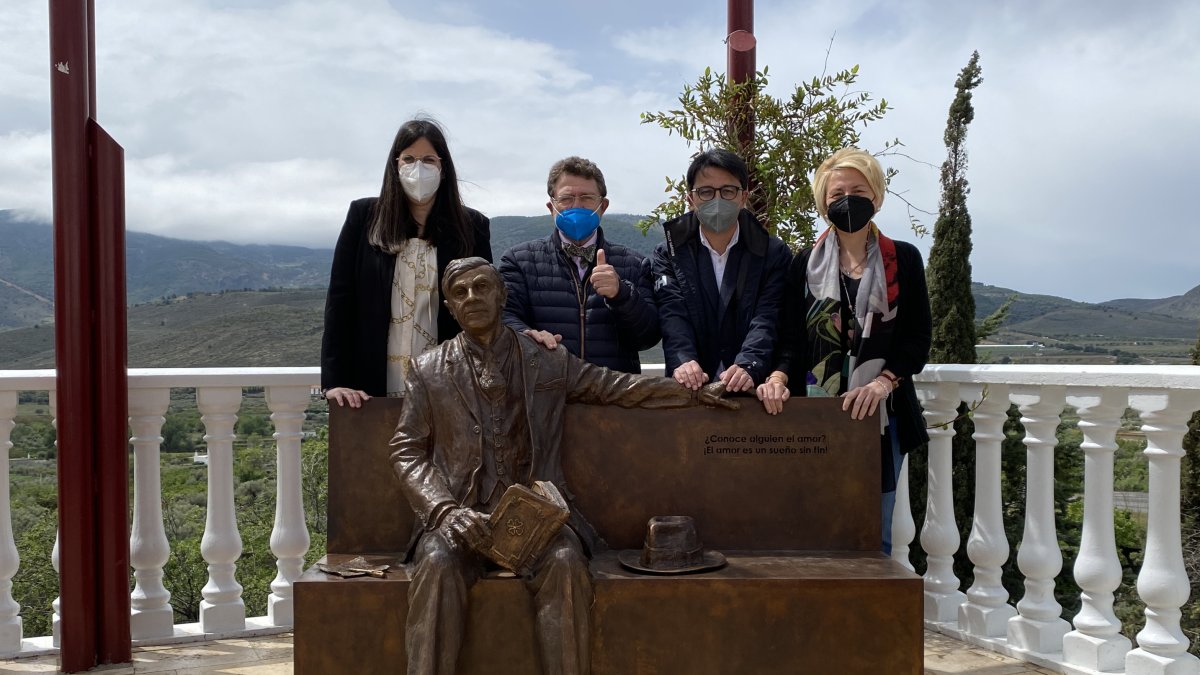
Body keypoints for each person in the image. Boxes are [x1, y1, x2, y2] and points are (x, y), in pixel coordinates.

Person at [390, 257, 734, 675]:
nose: (472, 297)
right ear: (449, 307)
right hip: (462, 515)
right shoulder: (427, 370)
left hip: (539, 517)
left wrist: (692, 394)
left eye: (482, 287)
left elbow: (616, 386)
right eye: (460, 293)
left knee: (566, 561)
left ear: (502, 295)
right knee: (437, 563)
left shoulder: (547, 360)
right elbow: (406, 450)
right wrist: (444, 511)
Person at [756, 147, 931, 555]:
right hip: (816, 415)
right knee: (815, 524)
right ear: (823, 202)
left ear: (877, 196)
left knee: (875, 530)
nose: (847, 200)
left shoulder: (904, 259)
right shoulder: (804, 264)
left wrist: (882, 384)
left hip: (880, 414)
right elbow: (790, 340)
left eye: (858, 191)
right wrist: (778, 376)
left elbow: (917, 340)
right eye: (836, 194)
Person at [320, 118, 492, 407]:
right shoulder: (364, 217)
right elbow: (340, 301)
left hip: (451, 387)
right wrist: (335, 381)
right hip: (369, 386)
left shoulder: (472, 226)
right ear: (395, 165)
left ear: (443, 168)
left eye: (428, 160)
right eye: (409, 159)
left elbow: (484, 309)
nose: (418, 168)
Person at [499, 156, 660, 373]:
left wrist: (622, 295)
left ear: (603, 206)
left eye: (586, 197)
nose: (576, 206)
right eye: (566, 198)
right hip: (547, 388)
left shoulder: (634, 264)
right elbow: (503, 318)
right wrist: (526, 334)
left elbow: (648, 337)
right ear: (551, 207)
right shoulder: (519, 261)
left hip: (613, 390)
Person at [652, 148, 791, 393]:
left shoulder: (773, 253)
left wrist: (749, 364)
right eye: (706, 192)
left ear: (743, 197)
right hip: (690, 390)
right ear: (691, 199)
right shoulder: (669, 253)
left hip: (754, 389)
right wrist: (684, 361)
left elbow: (767, 316)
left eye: (728, 191)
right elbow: (672, 313)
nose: (717, 200)